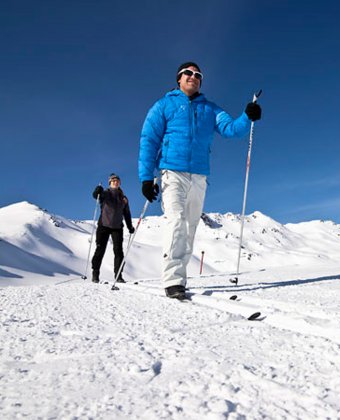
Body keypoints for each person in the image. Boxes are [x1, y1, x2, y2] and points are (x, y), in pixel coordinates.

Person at [138, 61, 262, 300]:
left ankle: (181, 277)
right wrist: (146, 177)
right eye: (188, 73)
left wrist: (248, 116)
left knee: (190, 226)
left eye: (198, 74)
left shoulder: (210, 109)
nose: (193, 76)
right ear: (178, 78)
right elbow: (149, 140)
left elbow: (232, 129)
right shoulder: (163, 105)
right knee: (176, 221)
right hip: (171, 171)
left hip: (199, 175)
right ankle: (173, 280)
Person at [91, 173, 135, 283]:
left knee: (118, 252)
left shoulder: (123, 198)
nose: (115, 182)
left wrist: (130, 226)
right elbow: (95, 196)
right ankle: (95, 274)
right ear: (110, 182)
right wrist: (97, 191)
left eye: (117, 180)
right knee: (100, 249)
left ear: (119, 183)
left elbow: (127, 213)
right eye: (113, 180)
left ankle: (118, 275)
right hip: (104, 225)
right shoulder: (105, 193)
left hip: (117, 227)